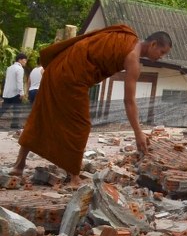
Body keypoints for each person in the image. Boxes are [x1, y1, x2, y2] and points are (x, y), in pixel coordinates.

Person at [9, 25, 172, 183]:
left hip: (57, 67)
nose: (161, 56)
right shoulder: (133, 60)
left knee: (40, 116)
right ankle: (73, 175)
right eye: (162, 52)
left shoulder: (126, 34)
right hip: (71, 78)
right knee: (81, 125)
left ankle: (19, 165)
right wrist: (138, 132)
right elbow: (129, 101)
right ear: (153, 44)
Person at [1, 53, 28, 128]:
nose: (25, 62)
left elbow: (7, 80)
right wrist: (21, 93)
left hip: (7, 92)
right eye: (24, 60)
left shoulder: (9, 68)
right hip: (15, 92)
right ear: (19, 60)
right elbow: (19, 81)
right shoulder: (20, 69)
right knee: (17, 109)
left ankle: (14, 124)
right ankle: (14, 125)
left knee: (3, 109)